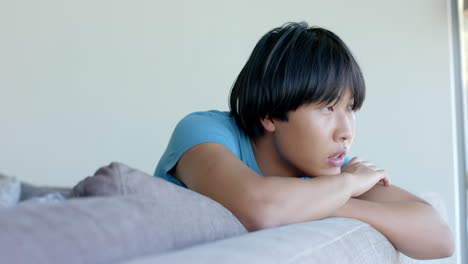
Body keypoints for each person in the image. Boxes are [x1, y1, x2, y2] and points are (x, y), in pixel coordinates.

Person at [154, 22, 454, 259]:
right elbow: (260, 208)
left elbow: (440, 239)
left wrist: (331, 201)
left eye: (350, 107)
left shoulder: (327, 167)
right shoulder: (202, 132)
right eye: (327, 107)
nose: (346, 131)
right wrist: (346, 188)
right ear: (270, 114)